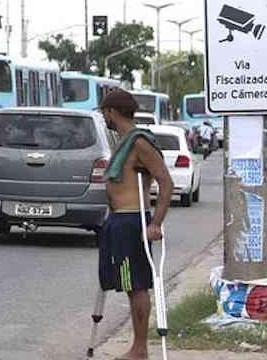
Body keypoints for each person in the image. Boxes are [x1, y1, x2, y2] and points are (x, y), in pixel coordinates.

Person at [98, 89, 173, 360]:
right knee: (125, 283)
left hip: (132, 221)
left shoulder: (140, 142)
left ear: (112, 112)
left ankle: (140, 349)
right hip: (117, 220)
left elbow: (166, 182)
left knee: (136, 285)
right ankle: (138, 347)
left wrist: (156, 223)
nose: (103, 117)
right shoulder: (123, 141)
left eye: (104, 112)